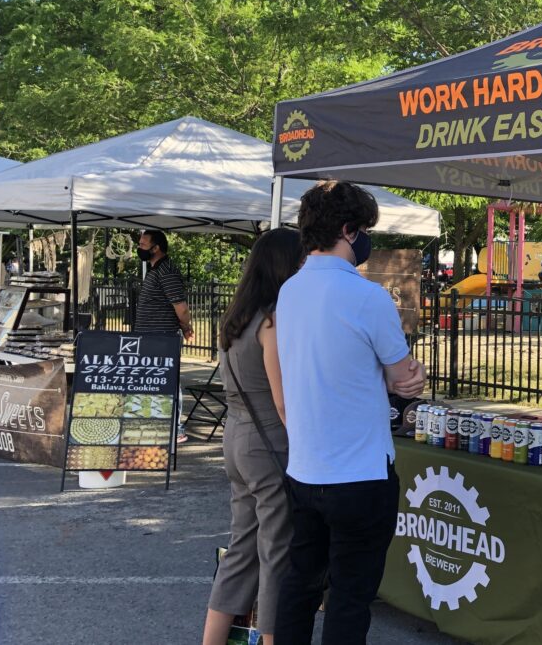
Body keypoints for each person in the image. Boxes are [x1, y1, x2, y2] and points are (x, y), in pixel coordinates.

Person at [274, 180, 426, 645]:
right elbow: (404, 376)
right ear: (347, 229)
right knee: (349, 596)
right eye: (363, 230)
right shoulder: (368, 297)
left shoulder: (289, 291)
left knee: (300, 585)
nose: (366, 240)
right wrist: (400, 377)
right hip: (360, 474)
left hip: (304, 468)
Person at [203, 228, 303, 645]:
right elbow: (283, 402)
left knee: (241, 549)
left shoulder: (236, 317)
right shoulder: (272, 320)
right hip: (268, 443)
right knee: (276, 552)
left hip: (236, 438)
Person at [134, 230, 194, 443]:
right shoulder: (154, 270)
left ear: (156, 247)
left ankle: (176, 427)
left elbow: (180, 306)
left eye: (142, 244)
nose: (139, 247)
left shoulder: (166, 271)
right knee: (151, 380)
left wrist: (186, 327)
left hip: (163, 338)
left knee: (168, 380)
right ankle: (153, 421)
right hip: (150, 337)